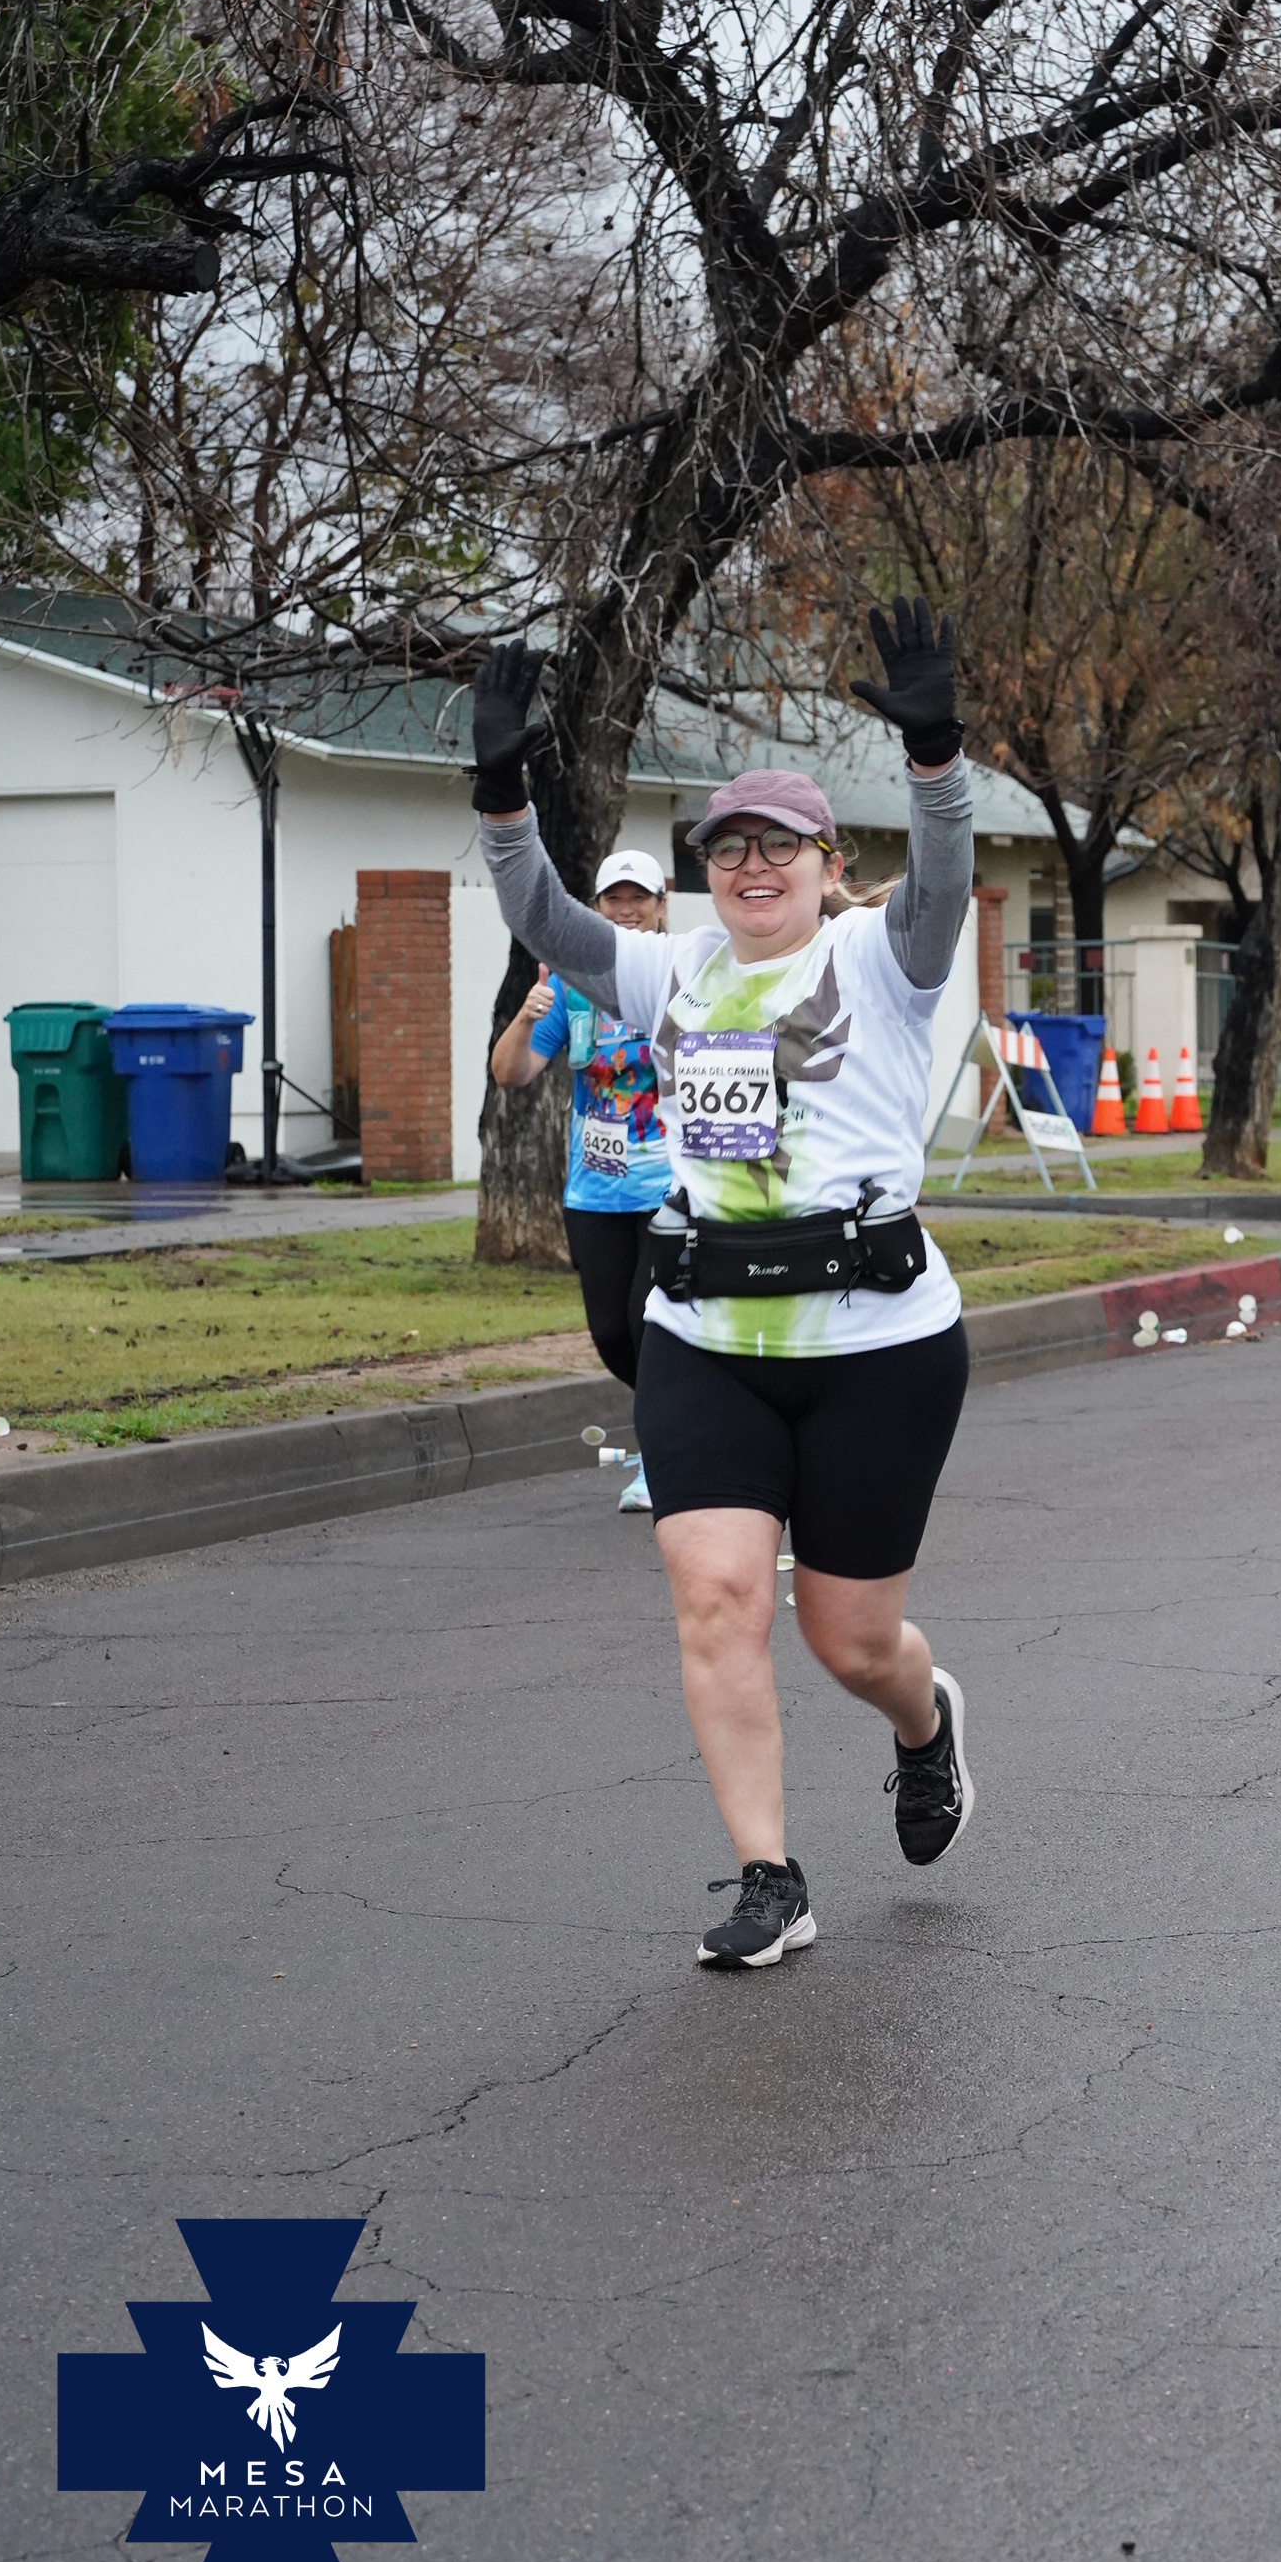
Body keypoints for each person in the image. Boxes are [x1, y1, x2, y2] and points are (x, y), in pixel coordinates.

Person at [468, 597, 975, 1971]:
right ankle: (770, 1876)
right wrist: (502, 794)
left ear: (825, 862)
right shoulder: (666, 971)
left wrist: (935, 758)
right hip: (704, 1329)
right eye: (728, 847)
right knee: (714, 1593)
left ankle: (924, 1722)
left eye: (778, 844)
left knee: (849, 1641)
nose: (753, 864)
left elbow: (943, 879)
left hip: (877, 1342)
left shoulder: (883, 957)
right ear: (707, 871)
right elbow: (540, 914)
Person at [489, 848, 674, 1512]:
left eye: (639, 898)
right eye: (613, 899)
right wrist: (528, 1013)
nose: (626, 910)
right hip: (594, 1190)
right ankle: (679, 1429)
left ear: (661, 906)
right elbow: (510, 1073)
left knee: (648, 1320)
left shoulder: (680, 975)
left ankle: (663, 1458)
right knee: (611, 1333)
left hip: (671, 1188)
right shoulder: (570, 985)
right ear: (596, 908)